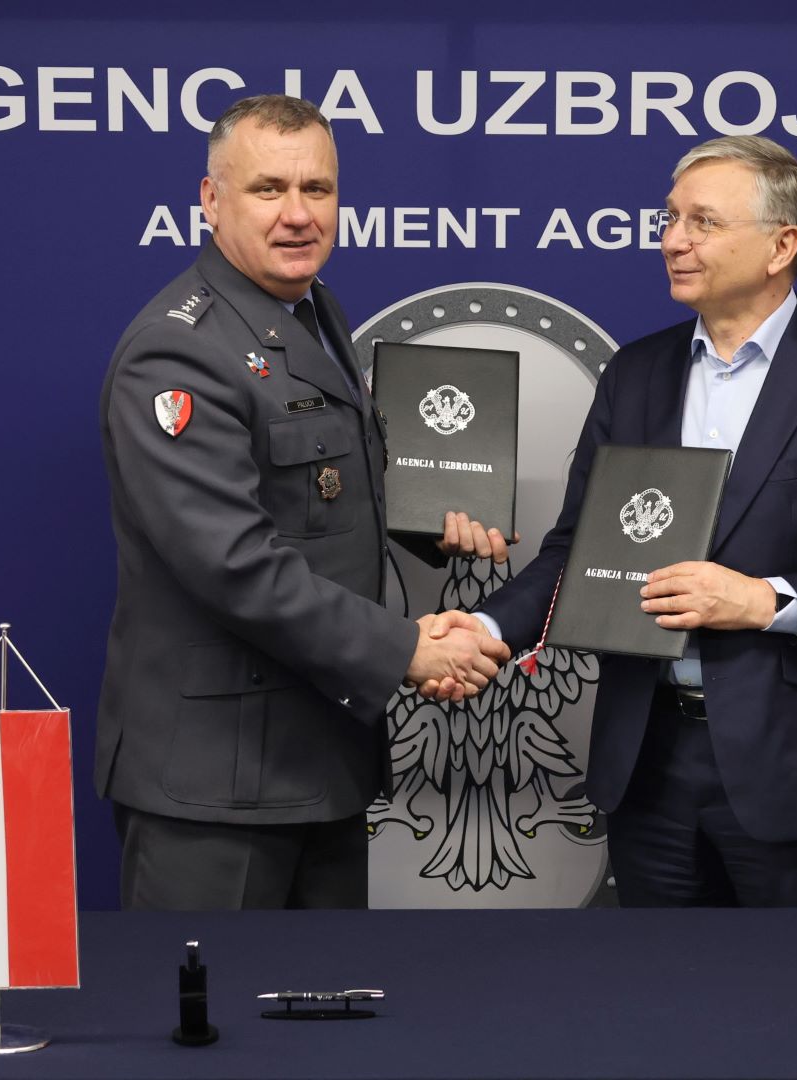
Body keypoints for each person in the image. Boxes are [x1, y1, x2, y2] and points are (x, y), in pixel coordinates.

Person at [458, 135, 797, 907]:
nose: (672, 240)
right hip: (647, 762)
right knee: (659, 984)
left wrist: (763, 600)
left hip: (793, 769)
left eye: (702, 222)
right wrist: (484, 630)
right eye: (670, 218)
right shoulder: (635, 374)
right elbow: (578, 552)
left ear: (781, 246)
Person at [96, 95, 510, 910]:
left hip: (322, 754)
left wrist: (428, 524)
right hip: (217, 780)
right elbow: (233, 564)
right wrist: (405, 648)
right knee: (209, 992)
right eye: (268, 189)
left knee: (327, 993)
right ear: (212, 200)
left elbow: (317, 489)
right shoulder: (179, 350)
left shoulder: (310, 308)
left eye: (316, 189)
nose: (297, 215)